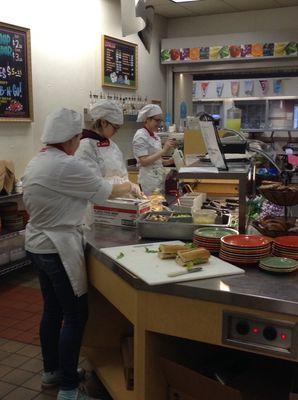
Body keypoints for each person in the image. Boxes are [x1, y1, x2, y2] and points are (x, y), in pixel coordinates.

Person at [23, 108, 134, 400]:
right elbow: (103, 191)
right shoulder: (66, 165)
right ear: (71, 138)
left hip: (36, 244)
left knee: (52, 311)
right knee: (75, 316)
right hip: (56, 246)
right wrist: (130, 186)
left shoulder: (39, 160)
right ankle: (69, 390)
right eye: (76, 137)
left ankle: (53, 373)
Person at [76, 99, 141, 191]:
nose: (116, 132)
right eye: (115, 128)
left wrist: (130, 185)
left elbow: (122, 173)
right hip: (100, 201)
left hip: (120, 198)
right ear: (103, 122)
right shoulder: (84, 146)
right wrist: (124, 188)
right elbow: (92, 184)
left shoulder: (112, 145)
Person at [132, 104, 176, 196]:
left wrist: (170, 161)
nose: (159, 123)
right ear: (147, 119)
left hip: (158, 178)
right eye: (157, 120)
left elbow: (156, 160)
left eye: (160, 120)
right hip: (148, 181)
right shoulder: (140, 136)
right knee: (152, 206)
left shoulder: (155, 136)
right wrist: (164, 150)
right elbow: (144, 161)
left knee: (159, 205)